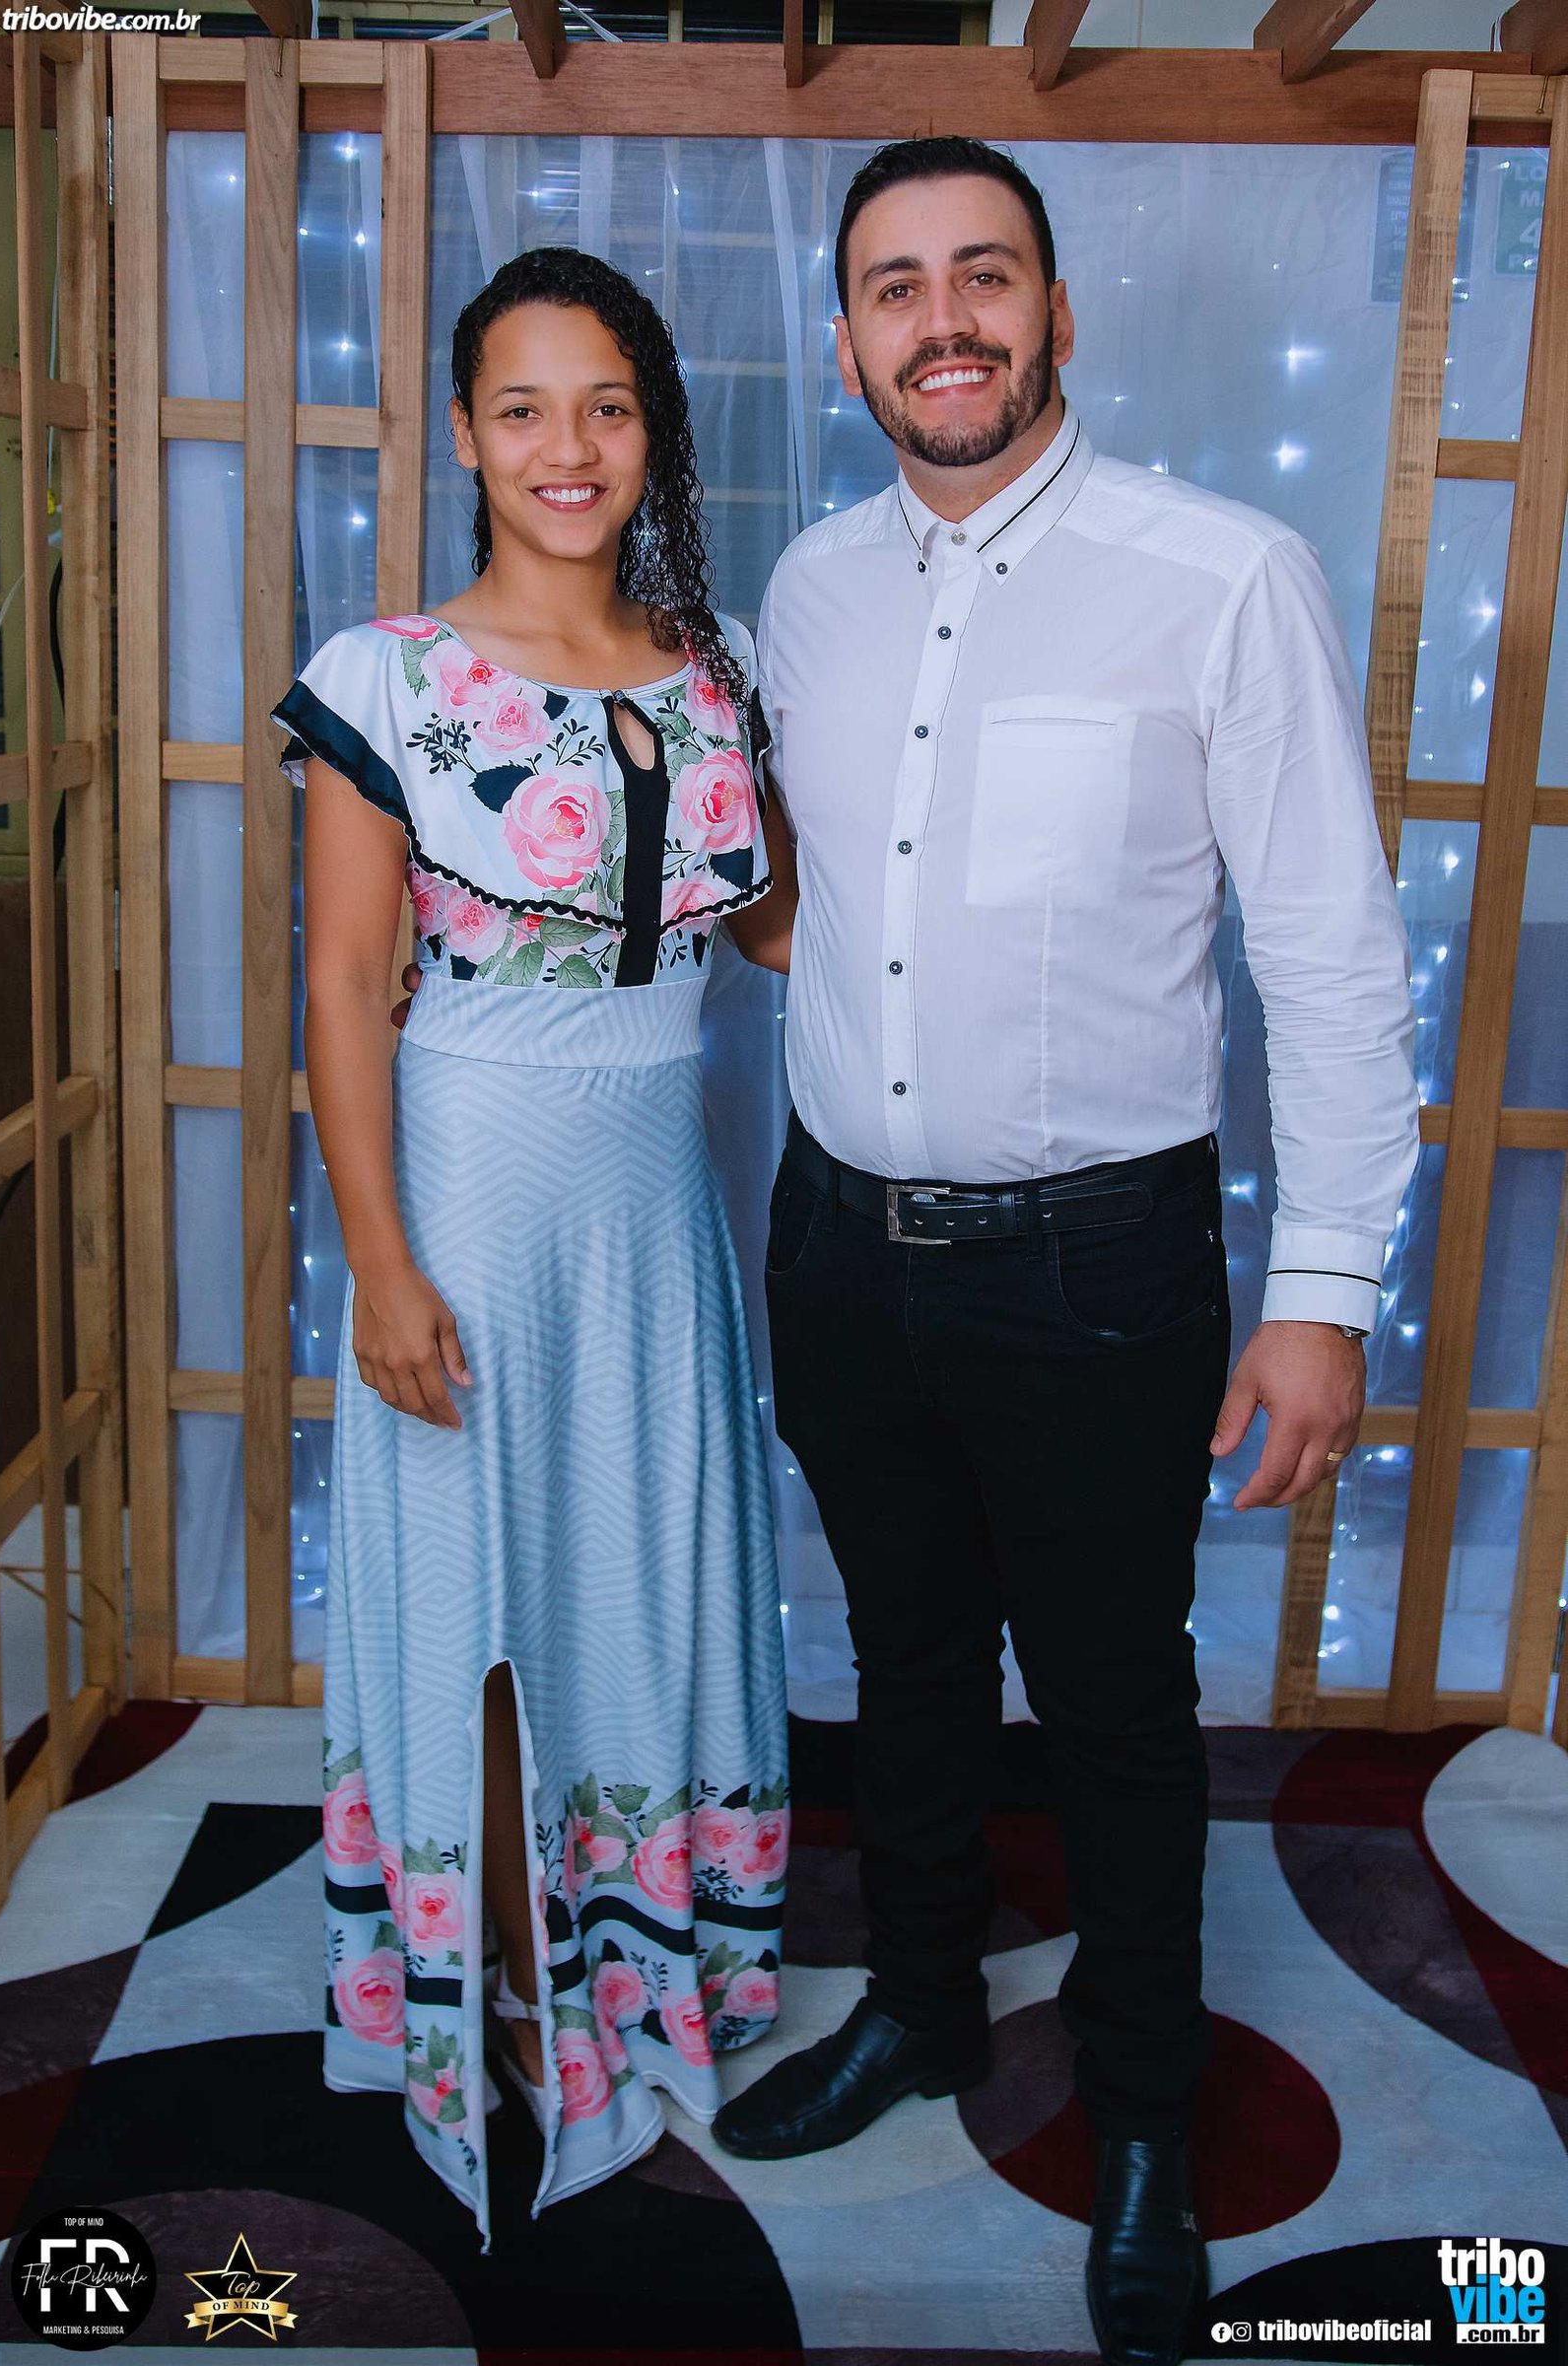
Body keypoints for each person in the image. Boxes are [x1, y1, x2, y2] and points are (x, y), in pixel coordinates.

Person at [705, 137, 1420, 2366]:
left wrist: (1321, 1295)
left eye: (984, 276)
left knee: (1112, 1705)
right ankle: (921, 2005)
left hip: (1099, 1267)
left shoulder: (1221, 576)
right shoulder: (808, 591)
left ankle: (1137, 2117)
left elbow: (1327, 953)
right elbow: (818, 897)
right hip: (838, 1242)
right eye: (895, 286)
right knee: (902, 1659)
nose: (944, 321)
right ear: (847, 342)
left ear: (1053, 313)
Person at [268, 245, 799, 2253]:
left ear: (652, 430)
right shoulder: (388, 674)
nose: (565, 446)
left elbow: (777, 922)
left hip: (660, 1198)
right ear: (467, 434)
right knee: (483, 1596)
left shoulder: (716, 663)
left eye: (606, 406)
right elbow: (344, 985)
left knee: (635, 1581)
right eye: (522, 407)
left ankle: (637, 1964)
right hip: (472, 1193)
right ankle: (508, 1983)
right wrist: (379, 1263)